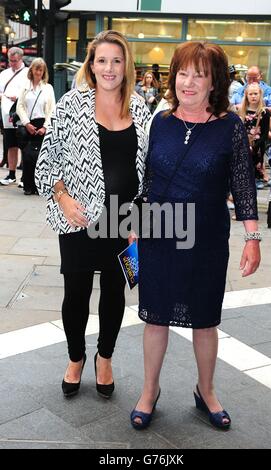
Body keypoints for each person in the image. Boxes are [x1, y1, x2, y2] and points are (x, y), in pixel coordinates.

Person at [130, 41, 261, 431]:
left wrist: (252, 238)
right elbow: (149, 179)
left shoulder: (230, 128)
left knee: (205, 321)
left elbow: (243, 184)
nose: (188, 82)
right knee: (155, 319)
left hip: (205, 238)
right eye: (183, 73)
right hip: (159, 234)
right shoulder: (162, 122)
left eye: (199, 75)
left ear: (213, 82)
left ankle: (206, 391)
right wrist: (135, 227)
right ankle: (149, 390)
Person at [35, 30, 151, 399]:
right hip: (79, 217)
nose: (109, 68)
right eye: (102, 60)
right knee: (76, 291)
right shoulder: (71, 104)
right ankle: (75, 358)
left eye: (116, 60)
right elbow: (46, 161)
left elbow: (150, 169)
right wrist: (63, 198)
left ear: (126, 65)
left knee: (115, 292)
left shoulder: (141, 108)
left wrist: (141, 217)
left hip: (123, 218)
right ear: (91, 64)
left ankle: (104, 357)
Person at [16, 58, 55, 195]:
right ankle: (28, 186)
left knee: (41, 158)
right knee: (27, 157)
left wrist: (45, 127)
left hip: (42, 125)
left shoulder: (48, 88)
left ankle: (39, 187)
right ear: (31, 70)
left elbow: (52, 110)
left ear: (44, 71)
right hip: (29, 124)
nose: (38, 71)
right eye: (36, 68)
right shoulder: (25, 87)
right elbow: (19, 106)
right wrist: (26, 123)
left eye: (41, 69)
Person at [0, 47, 28, 185]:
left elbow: (31, 92)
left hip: (23, 116)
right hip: (7, 115)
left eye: (15, 61)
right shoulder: (4, 74)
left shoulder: (28, 73)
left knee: (24, 145)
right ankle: (11, 174)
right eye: (10, 61)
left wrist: (17, 97)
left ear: (21, 59)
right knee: (10, 145)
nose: (12, 64)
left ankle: (25, 176)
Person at [238, 83, 270, 189]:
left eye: (255, 93)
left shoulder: (264, 113)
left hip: (256, 149)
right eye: (250, 94)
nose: (253, 96)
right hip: (241, 147)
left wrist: (254, 147)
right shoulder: (241, 111)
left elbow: (265, 134)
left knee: (252, 178)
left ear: (260, 95)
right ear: (246, 95)